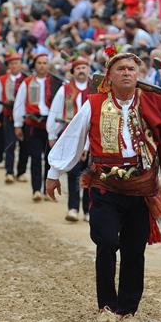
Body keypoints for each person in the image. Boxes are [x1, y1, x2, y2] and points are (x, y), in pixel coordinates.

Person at [45, 48, 161, 322]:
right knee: (105, 242)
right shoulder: (94, 103)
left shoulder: (154, 101)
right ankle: (106, 305)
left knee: (133, 249)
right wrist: (54, 173)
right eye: (121, 69)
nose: (127, 73)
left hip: (141, 188)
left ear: (138, 75)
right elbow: (73, 138)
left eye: (131, 69)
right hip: (105, 185)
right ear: (109, 76)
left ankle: (127, 309)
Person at [46, 57, 91, 221]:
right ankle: (73, 208)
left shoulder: (95, 89)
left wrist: (86, 146)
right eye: (78, 67)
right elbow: (55, 112)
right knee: (73, 174)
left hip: (92, 140)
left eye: (84, 67)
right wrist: (52, 134)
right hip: (70, 137)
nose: (81, 70)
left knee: (90, 176)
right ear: (73, 71)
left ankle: (88, 210)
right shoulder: (65, 89)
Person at [14, 53, 59, 201]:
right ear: (35, 65)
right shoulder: (26, 82)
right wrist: (18, 124)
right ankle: (36, 190)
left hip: (50, 125)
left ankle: (47, 189)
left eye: (45, 63)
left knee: (49, 159)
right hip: (32, 123)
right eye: (39, 63)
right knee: (35, 158)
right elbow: (19, 103)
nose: (42, 65)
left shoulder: (55, 83)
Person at [0, 52, 28, 184]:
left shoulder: (27, 79)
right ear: (8, 66)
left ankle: (21, 171)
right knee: (10, 144)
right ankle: (9, 171)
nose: (14, 65)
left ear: (21, 64)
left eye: (17, 62)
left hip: (25, 117)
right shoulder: (2, 80)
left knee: (25, 146)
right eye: (12, 63)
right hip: (8, 116)